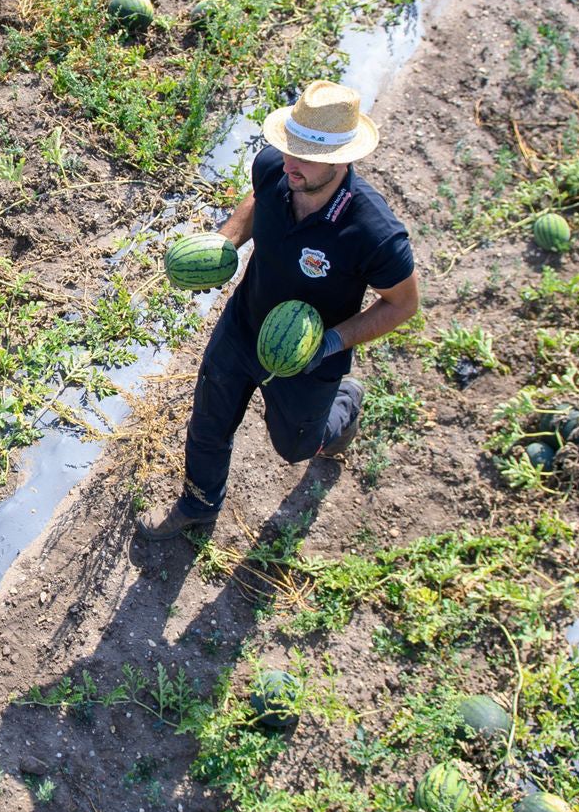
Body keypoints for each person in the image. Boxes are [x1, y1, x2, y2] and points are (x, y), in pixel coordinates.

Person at [135, 80, 420, 541]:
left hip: (307, 358)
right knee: (209, 421)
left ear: (342, 158)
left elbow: (403, 304)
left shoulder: (374, 233)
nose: (290, 163)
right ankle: (200, 504)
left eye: (305, 156)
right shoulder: (276, 168)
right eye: (289, 148)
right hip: (244, 324)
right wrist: (227, 241)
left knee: (295, 447)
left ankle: (345, 405)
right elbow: (257, 200)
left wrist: (330, 343)